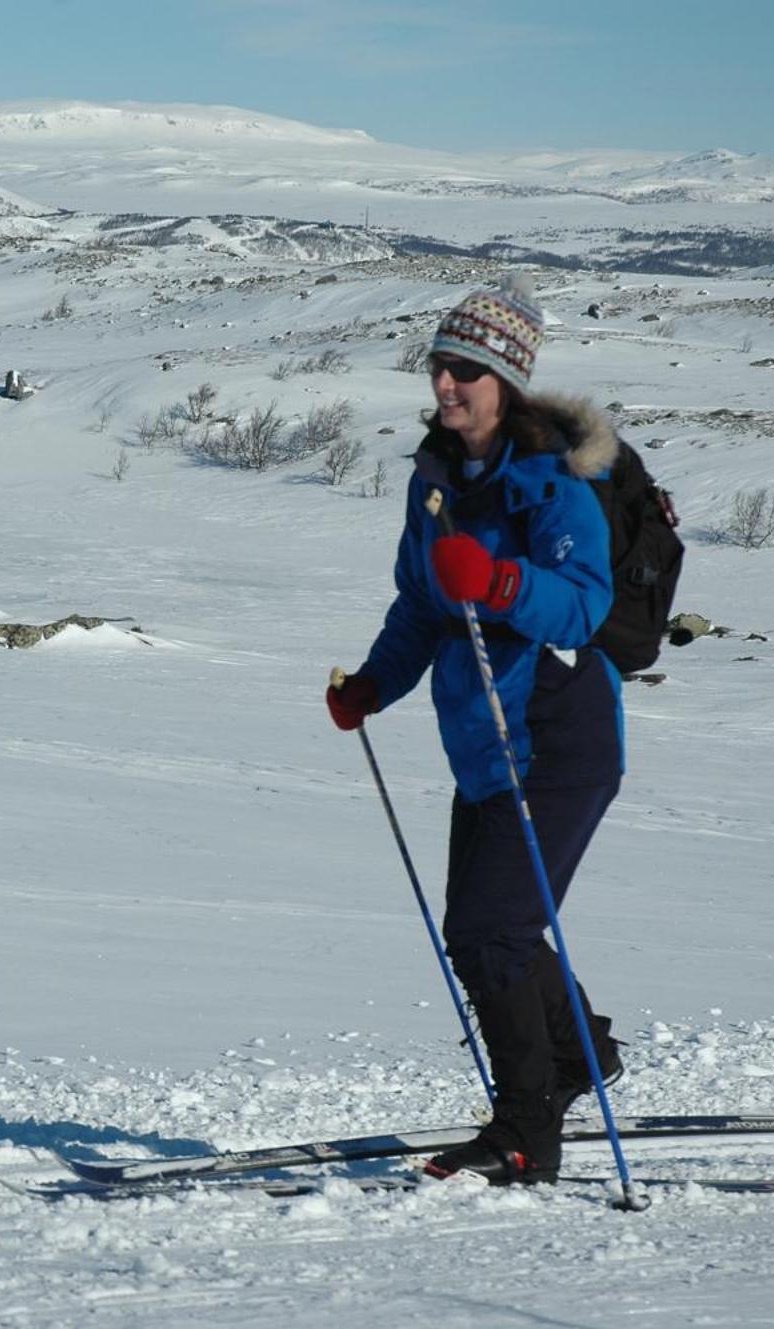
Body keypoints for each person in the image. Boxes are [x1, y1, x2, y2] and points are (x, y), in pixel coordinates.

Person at [325, 276, 626, 1186]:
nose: (447, 385)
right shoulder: (436, 480)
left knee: (489, 933)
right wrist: (375, 683)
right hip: (485, 738)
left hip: (559, 739)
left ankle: (527, 1129)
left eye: (466, 371)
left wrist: (499, 586)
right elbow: (421, 604)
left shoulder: (555, 486)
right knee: (495, 928)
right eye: (439, 367)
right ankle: (579, 1057)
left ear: (509, 381)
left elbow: (582, 608)